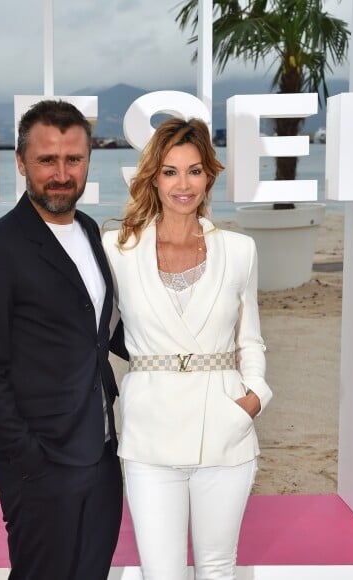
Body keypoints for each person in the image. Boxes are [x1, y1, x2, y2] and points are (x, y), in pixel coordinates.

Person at [0, 99, 125, 580]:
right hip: (41, 462)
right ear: (21, 162)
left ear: (88, 161)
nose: (61, 173)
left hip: (102, 449)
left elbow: (103, 331)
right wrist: (26, 456)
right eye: (47, 160)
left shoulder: (91, 231)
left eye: (73, 159)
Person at [102, 117, 272, 580]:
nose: (183, 184)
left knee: (218, 568)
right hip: (148, 431)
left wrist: (254, 398)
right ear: (153, 177)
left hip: (225, 426)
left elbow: (250, 338)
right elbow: (93, 334)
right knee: (162, 573)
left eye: (194, 170)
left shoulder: (239, 250)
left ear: (209, 176)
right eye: (171, 171)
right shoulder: (117, 249)